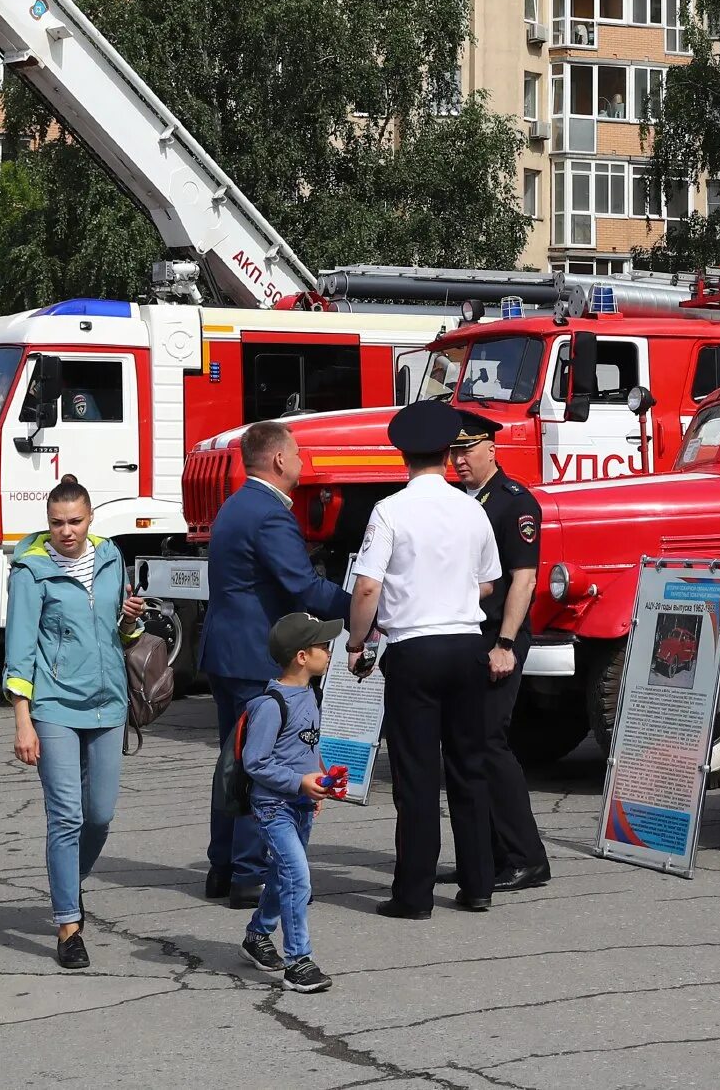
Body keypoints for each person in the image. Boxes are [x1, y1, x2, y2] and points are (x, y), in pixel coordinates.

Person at [345, 398, 499, 920]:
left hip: (413, 646)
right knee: (469, 767)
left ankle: (413, 894)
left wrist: (356, 643)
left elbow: (367, 586)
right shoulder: (472, 507)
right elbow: (486, 583)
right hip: (465, 642)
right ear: (446, 452)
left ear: (403, 456)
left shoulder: (391, 509)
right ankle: (478, 883)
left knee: (416, 774)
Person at [201, 420, 347, 906]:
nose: (303, 462)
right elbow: (303, 586)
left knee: (234, 760)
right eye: (298, 454)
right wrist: (363, 604)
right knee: (261, 763)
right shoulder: (269, 514)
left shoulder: (237, 504)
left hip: (227, 650)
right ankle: (249, 874)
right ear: (280, 460)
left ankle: (223, 866)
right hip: (253, 655)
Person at [4, 478, 146, 969]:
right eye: (57, 523)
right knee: (65, 815)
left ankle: (68, 880)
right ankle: (68, 924)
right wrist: (23, 720)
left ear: (90, 520)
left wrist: (131, 618)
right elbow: (19, 651)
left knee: (100, 816)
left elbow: (123, 632)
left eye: (76, 521)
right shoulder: (30, 570)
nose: (67, 531)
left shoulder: (111, 558)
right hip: (54, 707)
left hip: (109, 706)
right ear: (48, 524)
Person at [450, 412, 550, 890]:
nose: (459, 460)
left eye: (467, 450)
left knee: (490, 742)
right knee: (469, 743)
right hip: (465, 636)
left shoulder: (514, 505)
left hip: (497, 637)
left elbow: (524, 578)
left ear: (492, 449)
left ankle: (527, 856)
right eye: (453, 452)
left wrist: (507, 643)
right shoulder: (460, 502)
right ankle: (485, 855)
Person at [237, 612, 343, 994]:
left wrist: (320, 778)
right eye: (323, 646)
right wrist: (299, 782)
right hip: (274, 807)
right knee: (298, 878)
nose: (330, 652)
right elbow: (256, 761)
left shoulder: (308, 695)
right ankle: (298, 961)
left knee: (284, 877)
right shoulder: (270, 704)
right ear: (301, 656)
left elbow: (306, 747)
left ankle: (257, 934)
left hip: (298, 804)